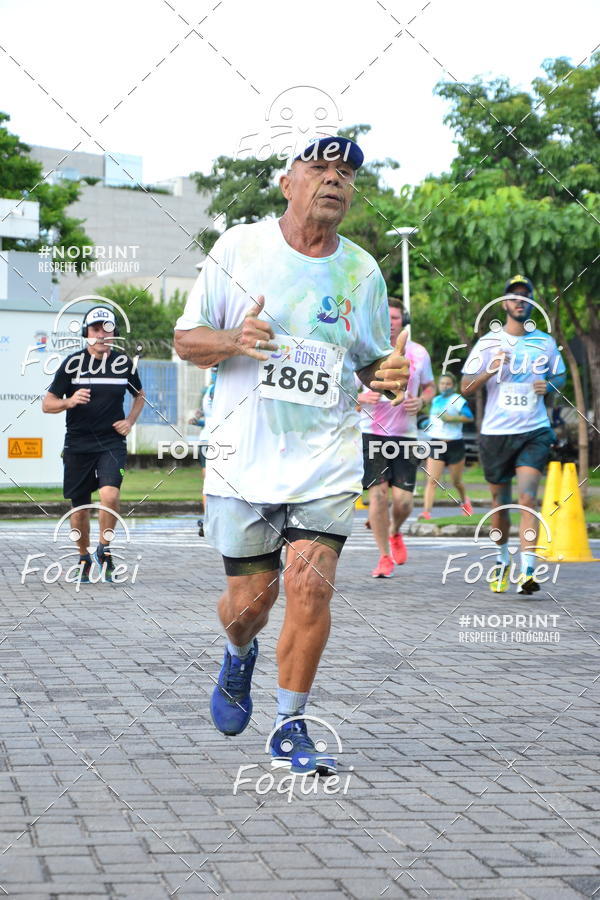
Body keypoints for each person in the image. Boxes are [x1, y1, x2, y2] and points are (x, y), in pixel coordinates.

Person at [174, 136, 409, 773]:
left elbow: (366, 362)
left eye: (346, 172)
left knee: (310, 585)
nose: (334, 179)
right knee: (251, 604)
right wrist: (233, 338)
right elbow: (185, 342)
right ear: (287, 182)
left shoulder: (362, 270)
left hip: (326, 457)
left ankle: (289, 725)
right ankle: (238, 654)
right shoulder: (238, 249)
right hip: (243, 455)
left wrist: (383, 376)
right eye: (319, 167)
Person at [461, 275, 566, 594]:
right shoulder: (487, 343)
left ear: (532, 304)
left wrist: (547, 386)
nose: (520, 301)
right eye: (514, 297)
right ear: (505, 303)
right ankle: (501, 559)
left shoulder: (545, 343)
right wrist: (490, 369)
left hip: (533, 430)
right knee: (500, 505)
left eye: (526, 297)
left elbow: (558, 377)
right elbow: (466, 387)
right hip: (495, 434)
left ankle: (528, 570)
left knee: (527, 499)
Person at [42, 306, 145, 582]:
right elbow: (47, 404)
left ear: (114, 334)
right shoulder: (72, 364)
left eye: (107, 330)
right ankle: (84, 557)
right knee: (80, 508)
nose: (101, 335)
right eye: (95, 330)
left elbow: (139, 395)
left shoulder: (123, 364)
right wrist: (69, 401)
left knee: (110, 495)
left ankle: (105, 549)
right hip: (78, 444)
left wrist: (130, 422)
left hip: (111, 442)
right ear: (87, 334)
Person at [357, 300, 435, 577]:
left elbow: (429, 387)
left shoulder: (418, 353)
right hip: (371, 432)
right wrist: (361, 397)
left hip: (405, 435)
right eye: (386, 316)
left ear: (404, 321)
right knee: (377, 495)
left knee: (403, 502)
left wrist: (422, 402)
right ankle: (383, 557)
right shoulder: (365, 351)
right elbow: (342, 391)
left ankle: (394, 531)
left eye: (396, 317)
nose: (391, 322)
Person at [420, 372, 474, 520]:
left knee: (456, 481)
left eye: (448, 384)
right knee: (432, 481)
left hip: (454, 444)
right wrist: (426, 424)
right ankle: (426, 513)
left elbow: (470, 417)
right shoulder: (436, 400)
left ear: (454, 386)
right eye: (442, 383)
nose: (445, 386)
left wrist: (452, 419)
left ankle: (465, 502)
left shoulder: (457, 400)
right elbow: (435, 421)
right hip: (436, 443)